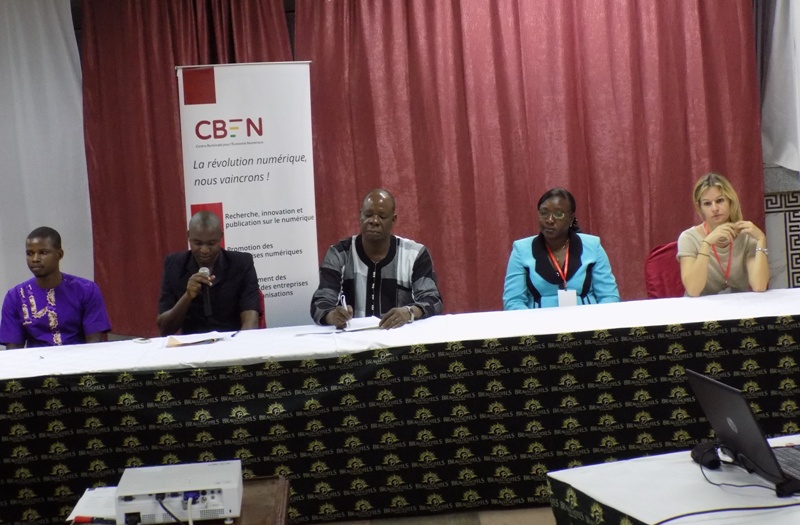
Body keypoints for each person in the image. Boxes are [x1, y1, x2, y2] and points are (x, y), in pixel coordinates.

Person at [311, 189, 443, 329]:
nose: (374, 221)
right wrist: (332, 316)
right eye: (368, 215)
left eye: (382, 216)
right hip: (352, 337)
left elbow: (433, 300)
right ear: (360, 216)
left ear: (393, 220)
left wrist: (408, 312)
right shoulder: (339, 254)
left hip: (398, 336)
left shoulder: (414, 254)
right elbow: (320, 303)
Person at [503, 188, 620, 309]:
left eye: (558, 214)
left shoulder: (593, 246)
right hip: (539, 320)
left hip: (587, 319)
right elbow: (513, 301)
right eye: (544, 213)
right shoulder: (521, 250)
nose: (549, 220)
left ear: (571, 218)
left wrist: (593, 320)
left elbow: (609, 296)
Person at [0, 227, 111, 348]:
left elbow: (95, 343)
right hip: (36, 359)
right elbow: (14, 350)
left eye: (43, 252)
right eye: (30, 253)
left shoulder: (86, 290)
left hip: (80, 358)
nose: (35, 259)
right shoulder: (15, 297)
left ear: (59, 254)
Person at [157, 211, 260, 335]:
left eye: (211, 243)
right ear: (188, 236)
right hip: (192, 343)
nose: (204, 250)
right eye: (198, 243)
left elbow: (251, 322)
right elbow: (165, 329)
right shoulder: (174, 265)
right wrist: (187, 296)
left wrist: (238, 344)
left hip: (232, 340)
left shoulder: (241, 264)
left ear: (221, 237)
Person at [677, 172, 769, 296]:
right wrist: (706, 244)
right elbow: (693, 290)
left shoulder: (746, 236)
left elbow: (759, 286)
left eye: (720, 200)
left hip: (737, 305)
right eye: (707, 203)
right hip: (701, 306)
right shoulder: (688, 238)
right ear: (700, 208)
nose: (714, 208)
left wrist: (761, 239)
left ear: (730, 201)